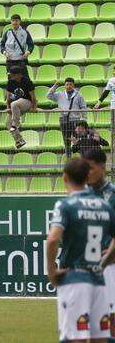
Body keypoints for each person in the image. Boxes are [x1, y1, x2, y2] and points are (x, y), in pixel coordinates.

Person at [47, 158, 115, 343]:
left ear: (64, 177)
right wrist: (105, 262)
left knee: (74, 338)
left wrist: (51, 271)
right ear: (86, 177)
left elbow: (53, 239)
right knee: (101, 338)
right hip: (98, 280)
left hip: (74, 279)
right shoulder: (104, 205)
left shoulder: (66, 205)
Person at [85, 147, 115, 343]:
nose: (86, 173)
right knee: (89, 321)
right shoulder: (82, 195)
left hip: (109, 265)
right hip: (86, 265)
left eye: (91, 168)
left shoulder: (112, 195)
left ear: (103, 167)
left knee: (110, 318)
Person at [48, 78, 88, 157]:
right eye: (67, 84)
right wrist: (54, 87)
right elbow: (48, 95)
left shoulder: (79, 95)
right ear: (64, 85)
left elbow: (83, 107)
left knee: (78, 140)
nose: (69, 86)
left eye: (70, 84)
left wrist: (84, 119)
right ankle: (69, 159)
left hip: (76, 120)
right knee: (66, 141)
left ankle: (82, 158)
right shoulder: (59, 94)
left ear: (73, 85)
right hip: (64, 120)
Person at [4, 66, 37, 149]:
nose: (10, 76)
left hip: (27, 102)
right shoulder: (10, 82)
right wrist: (8, 108)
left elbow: (33, 96)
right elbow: (8, 97)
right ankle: (19, 140)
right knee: (8, 123)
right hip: (15, 106)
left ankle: (16, 124)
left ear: (18, 74)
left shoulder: (27, 81)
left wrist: (34, 107)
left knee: (14, 104)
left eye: (12, 74)